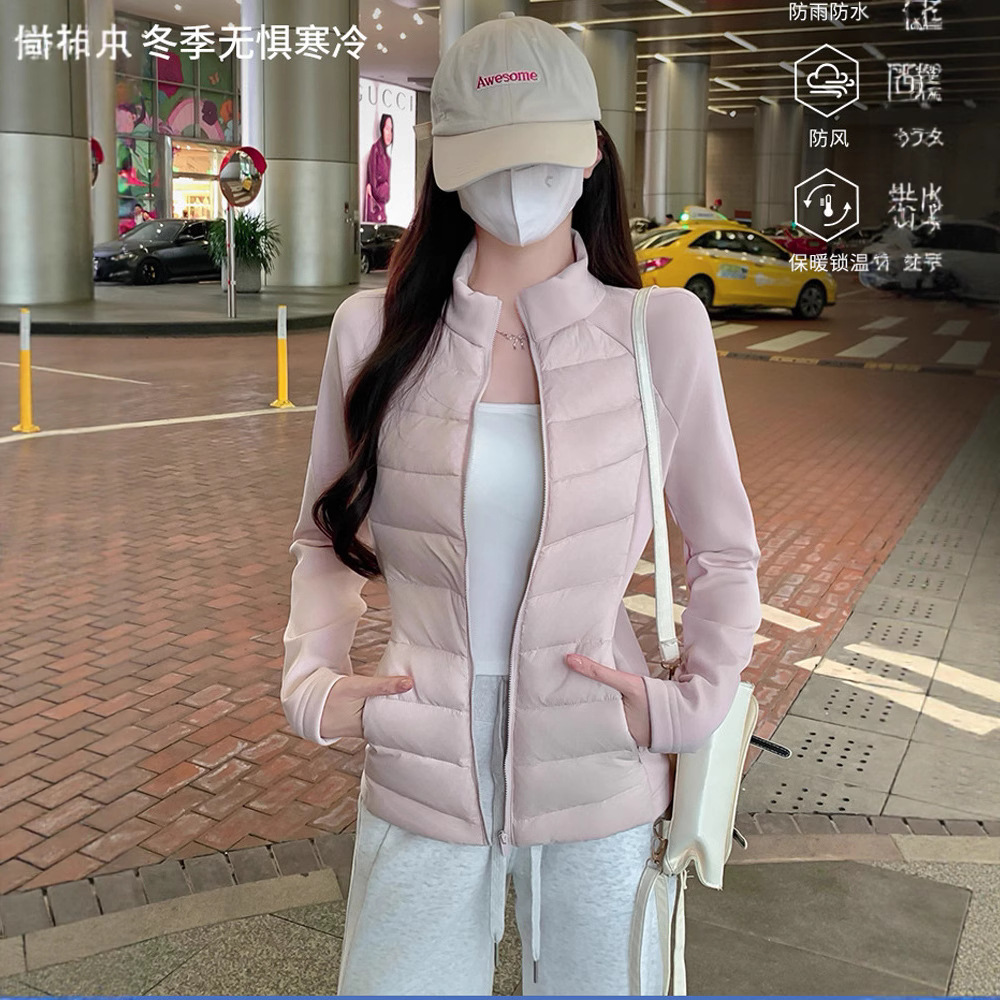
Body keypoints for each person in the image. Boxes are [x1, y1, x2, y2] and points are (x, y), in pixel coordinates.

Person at [281, 13, 761, 996]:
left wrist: (690, 704)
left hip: (601, 760)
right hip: (420, 754)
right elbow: (324, 536)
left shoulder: (658, 330)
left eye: (538, 150)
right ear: (445, 169)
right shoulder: (371, 333)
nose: (514, 181)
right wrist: (314, 683)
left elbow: (723, 552)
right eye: (487, 155)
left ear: (591, 151)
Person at [363, 113, 393, 223]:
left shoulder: (387, 158)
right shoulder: (375, 150)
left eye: (391, 130)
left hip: (381, 206)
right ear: (381, 129)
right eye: (387, 128)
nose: (389, 133)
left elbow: (386, 189)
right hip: (375, 208)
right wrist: (383, 189)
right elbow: (373, 183)